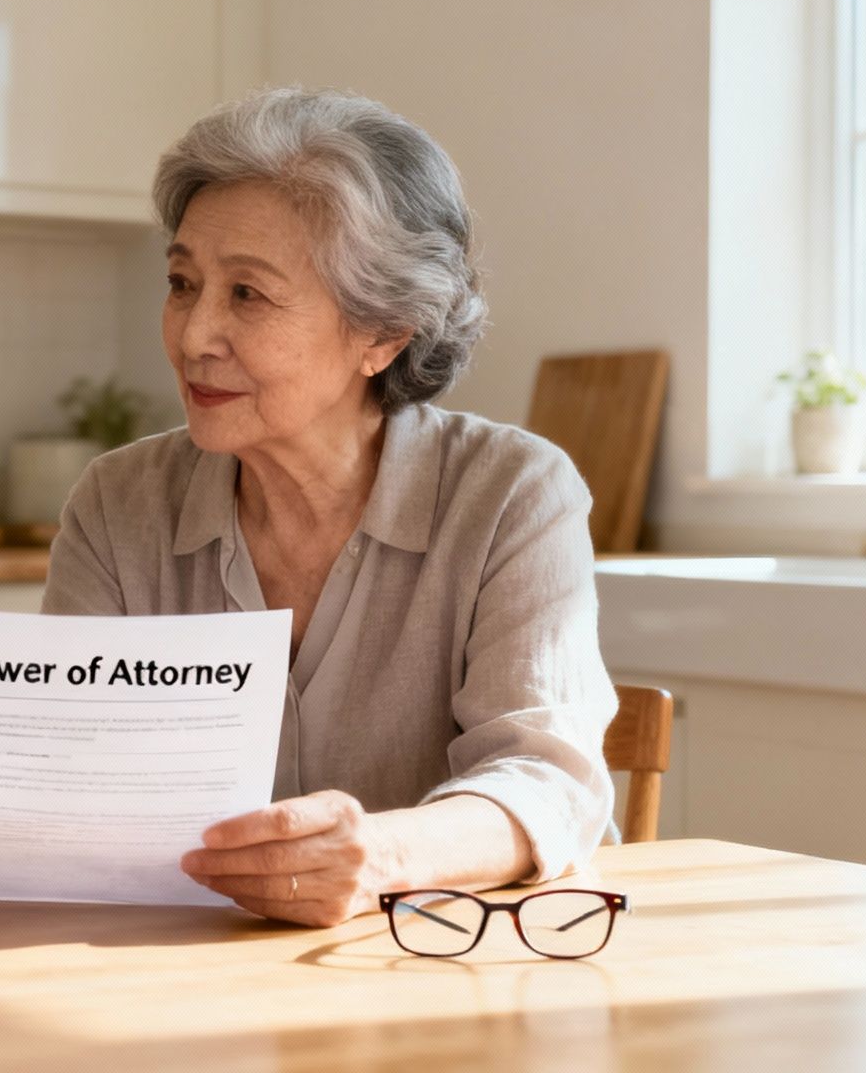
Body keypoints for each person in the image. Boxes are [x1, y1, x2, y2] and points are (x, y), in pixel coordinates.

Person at [42, 88, 617, 928]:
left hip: (425, 982)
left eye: (248, 295)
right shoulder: (117, 503)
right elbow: (60, 773)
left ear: (382, 334)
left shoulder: (512, 494)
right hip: (171, 985)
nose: (194, 332)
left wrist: (380, 857)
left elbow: (546, 781)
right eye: (182, 282)